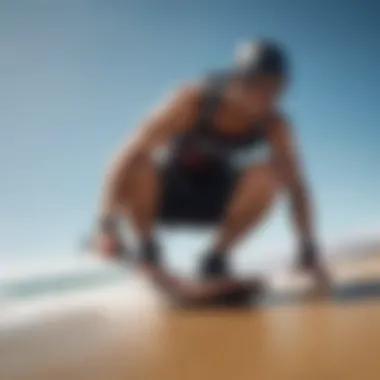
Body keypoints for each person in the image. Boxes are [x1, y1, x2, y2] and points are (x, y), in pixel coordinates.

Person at [95, 38, 330, 299]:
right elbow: (127, 152)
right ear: (237, 79)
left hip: (217, 201)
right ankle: (148, 254)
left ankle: (214, 260)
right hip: (165, 198)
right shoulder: (191, 100)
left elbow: (297, 187)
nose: (267, 97)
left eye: (276, 88)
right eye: (258, 85)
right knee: (139, 160)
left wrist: (308, 249)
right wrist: (107, 224)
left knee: (269, 174)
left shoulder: (274, 124)